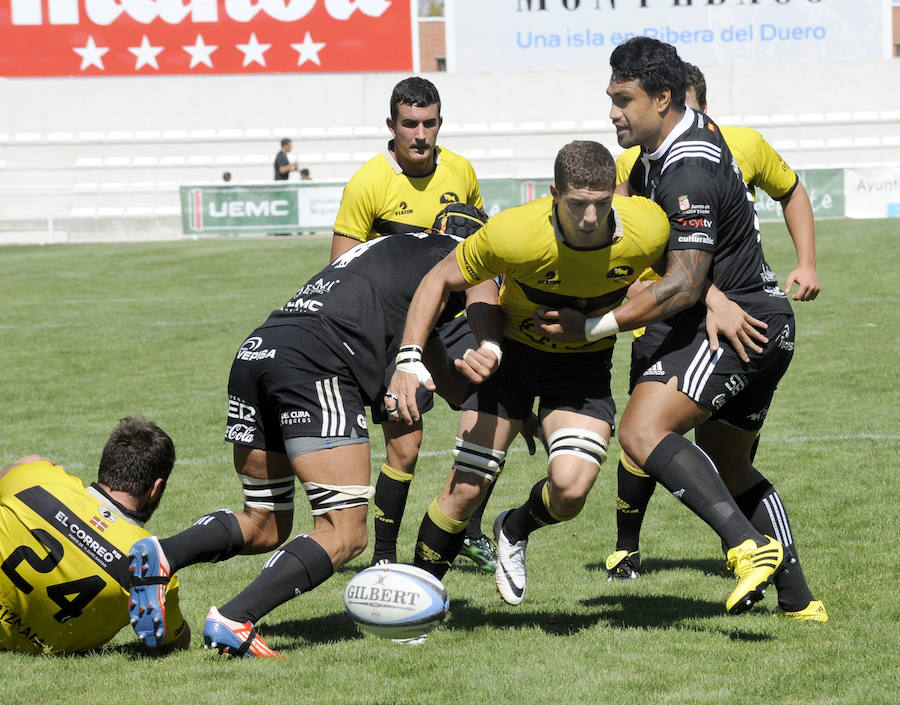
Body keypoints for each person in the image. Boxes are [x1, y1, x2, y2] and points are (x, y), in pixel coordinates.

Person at [127, 204, 494, 658]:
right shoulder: (467, 259)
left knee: (264, 522)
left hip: (259, 350)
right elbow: (481, 302)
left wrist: (508, 406)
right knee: (345, 533)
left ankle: (163, 554)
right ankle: (234, 618)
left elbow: (452, 381)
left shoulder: (396, 255)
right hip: (315, 363)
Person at [536, 37, 822, 618]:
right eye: (610, 98)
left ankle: (745, 548)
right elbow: (669, 252)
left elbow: (683, 283)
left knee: (641, 433)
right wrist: (710, 291)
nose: (612, 111)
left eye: (623, 99)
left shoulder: (687, 164)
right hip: (760, 320)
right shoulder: (663, 150)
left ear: (662, 97)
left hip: (739, 326)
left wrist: (591, 326)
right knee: (731, 463)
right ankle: (799, 601)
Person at [386, 141, 670, 607]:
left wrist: (714, 302)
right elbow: (443, 279)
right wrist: (416, 358)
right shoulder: (514, 232)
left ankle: (514, 527)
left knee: (571, 489)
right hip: (512, 359)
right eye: (577, 204)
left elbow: (682, 278)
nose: (589, 218)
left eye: (601, 205)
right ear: (555, 193)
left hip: (583, 365)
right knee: (465, 489)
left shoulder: (648, 226)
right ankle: (415, 600)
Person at [330, 76, 499, 571]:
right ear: (391, 125)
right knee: (405, 445)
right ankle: (384, 559)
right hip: (391, 329)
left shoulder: (461, 171)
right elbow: (341, 271)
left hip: (448, 319)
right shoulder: (367, 184)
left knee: (489, 414)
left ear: (440, 123)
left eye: (429, 123)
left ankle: (463, 529)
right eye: (410, 124)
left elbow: (477, 249)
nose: (420, 134)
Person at [0, 417, 189, 654]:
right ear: (156, 489)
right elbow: (174, 642)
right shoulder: (152, 567)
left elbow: (23, 465)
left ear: (106, 464)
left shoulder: (37, 479)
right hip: (39, 645)